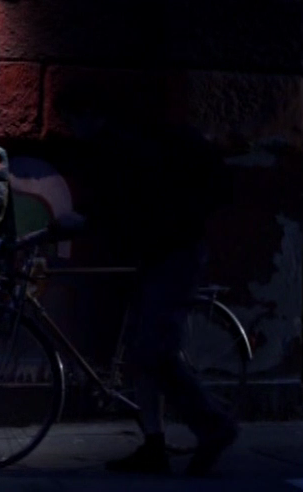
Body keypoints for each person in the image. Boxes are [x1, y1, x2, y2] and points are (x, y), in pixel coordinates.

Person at [103, 118, 241, 476]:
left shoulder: (151, 145)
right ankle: (154, 444)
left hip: (172, 256)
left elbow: (146, 206)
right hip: (161, 255)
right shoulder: (154, 141)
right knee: (142, 353)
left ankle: (213, 424)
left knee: (153, 351)